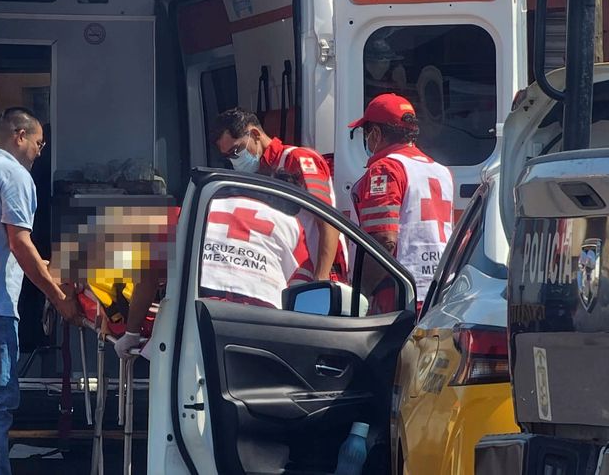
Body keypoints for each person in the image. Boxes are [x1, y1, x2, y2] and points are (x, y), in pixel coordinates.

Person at [0, 107, 81, 475]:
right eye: (39, 142)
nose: (41, 150)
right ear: (19, 136)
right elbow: (21, 244)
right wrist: (58, 298)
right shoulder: (15, 176)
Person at [115, 192, 315, 357]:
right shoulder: (292, 225)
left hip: (198, 309)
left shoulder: (189, 212)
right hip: (261, 318)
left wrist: (132, 333)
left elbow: (147, 277)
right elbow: (302, 291)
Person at [210, 107, 345, 282]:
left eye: (236, 151)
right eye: (228, 157)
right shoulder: (257, 175)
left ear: (255, 135)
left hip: (315, 277)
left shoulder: (297, 159)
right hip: (286, 276)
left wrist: (321, 277)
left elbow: (327, 219)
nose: (234, 160)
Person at [348, 93, 454, 304]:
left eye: (366, 133)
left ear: (376, 133)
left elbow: (383, 240)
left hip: (398, 294)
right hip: (439, 290)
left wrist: (360, 294)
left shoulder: (386, 169)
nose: (367, 140)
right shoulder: (441, 171)